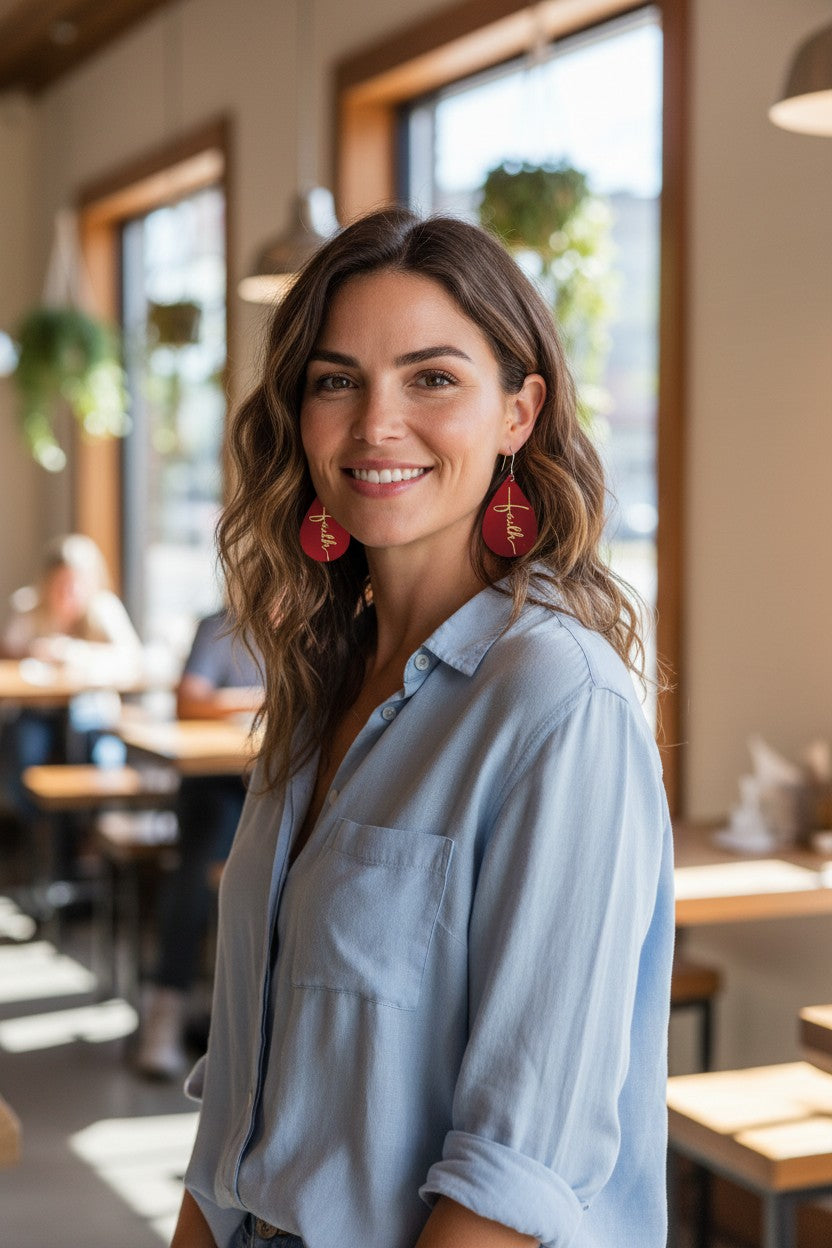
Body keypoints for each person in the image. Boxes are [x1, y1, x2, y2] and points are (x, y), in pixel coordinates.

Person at [173, 209, 674, 1248]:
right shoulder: (318, 691)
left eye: (431, 378)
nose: (374, 426)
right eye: (335, 379)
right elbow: (242, 1100)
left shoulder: (557, 702)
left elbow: (512, 1177)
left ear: (517, 412)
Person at [137, 608, 262, 1079]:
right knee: (202, 847)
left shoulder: (322, 622)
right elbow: (188, 702)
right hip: (215, 778)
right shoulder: (220, 626)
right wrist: (261, 699)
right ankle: (166, 1006)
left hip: (278, 773)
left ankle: (253, 1025)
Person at [0, 533, 141, 880]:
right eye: (60, 584)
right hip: (39, 712)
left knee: (101, 755)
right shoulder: (28, 607)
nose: (68, 593)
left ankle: (85, 845)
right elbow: (8, 654)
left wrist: (78, 654)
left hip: (89, 711)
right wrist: (35, 652)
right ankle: (46, 840)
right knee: (22, 756)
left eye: (75, 584)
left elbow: (134, 661)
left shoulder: (104, 609)